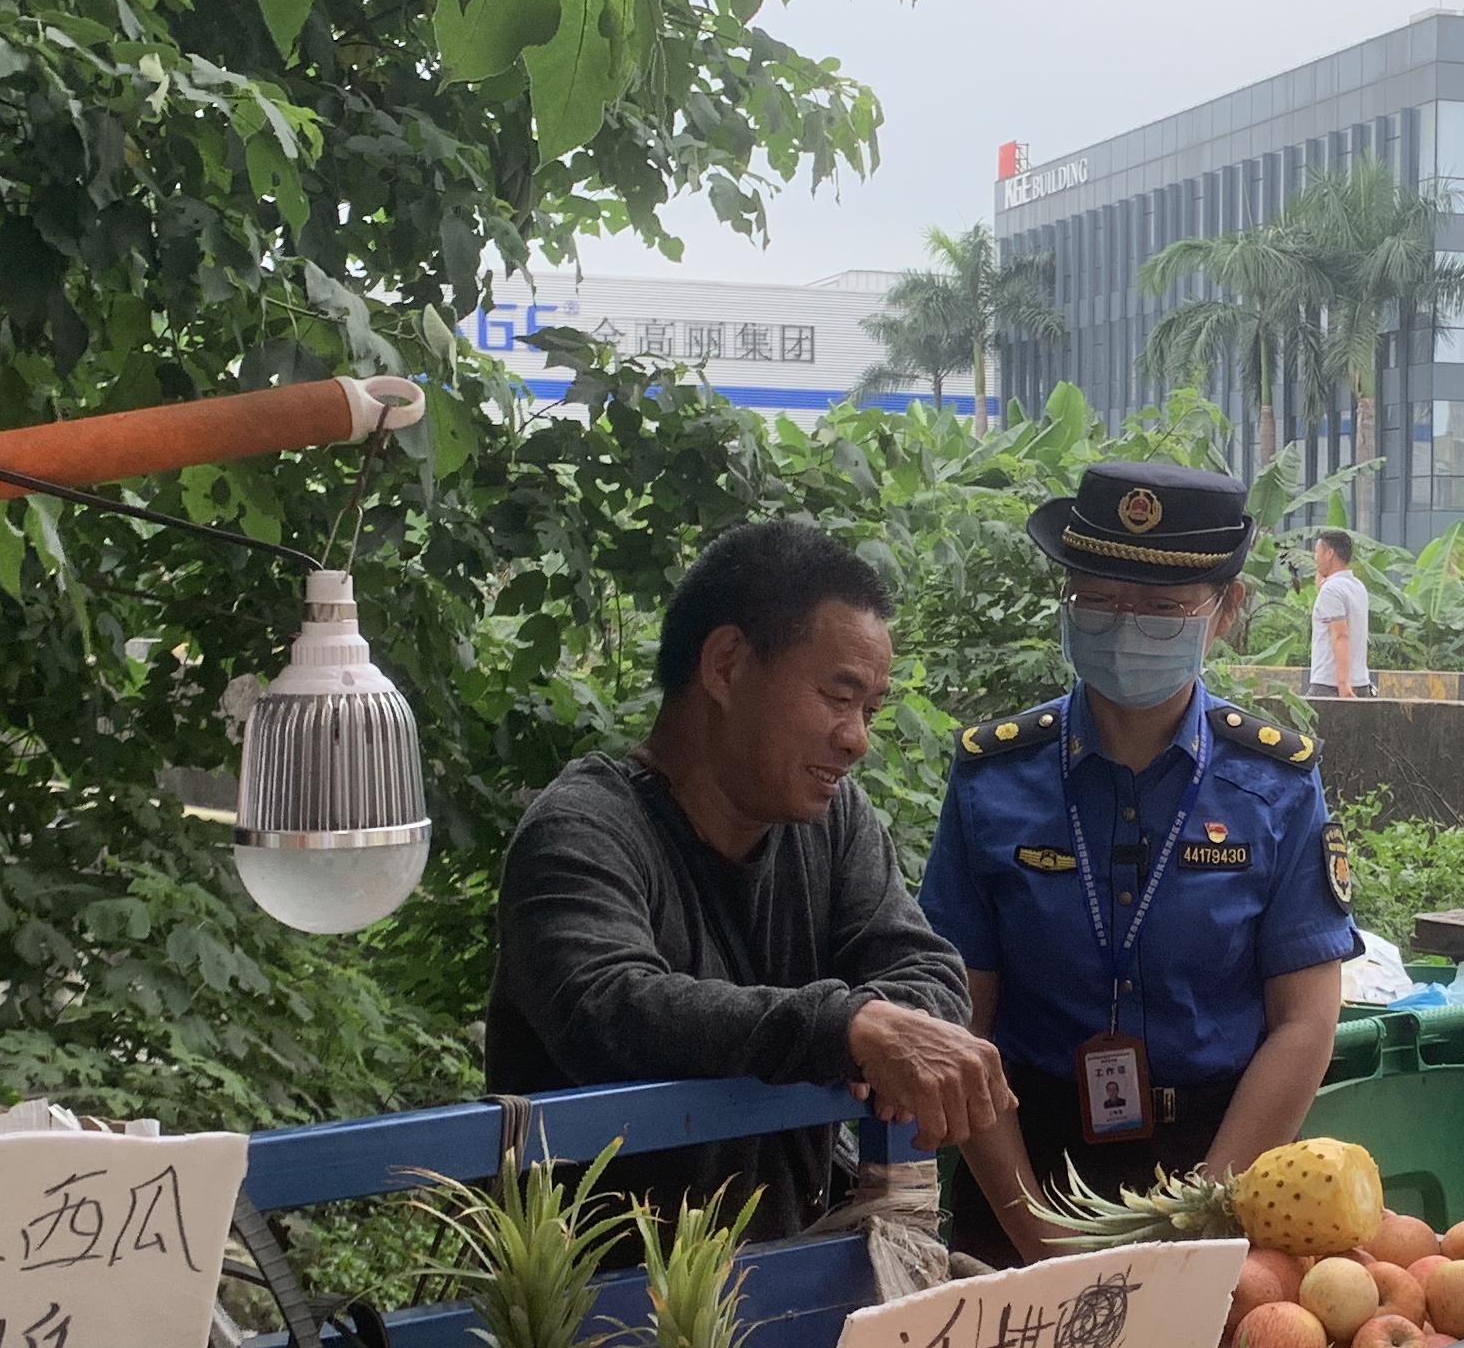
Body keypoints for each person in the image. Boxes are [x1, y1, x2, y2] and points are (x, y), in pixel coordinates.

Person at [487, 518, 1012, 1238]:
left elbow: (926, 970)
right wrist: (847, 1028)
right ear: (727, 665)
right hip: (604, 1315)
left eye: (870, 710)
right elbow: (607, 1010)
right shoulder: (581, 829)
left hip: (795, 1284)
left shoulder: (833, 821)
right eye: (838, 696)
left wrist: (882, 1030)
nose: (857, 739)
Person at [922, 462, 1358, 1250]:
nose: (1125, 626)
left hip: (1219, 1161)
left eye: (1161, 608)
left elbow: (1305, 1022)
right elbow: (963, 1020)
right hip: (1022, 1162)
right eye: (1099, 599)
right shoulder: (995, 775)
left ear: (1226, 611)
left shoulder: (1275, 783)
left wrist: (1198, 1219)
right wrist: (1035, 1233)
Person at [1309, 529, 1375, 695]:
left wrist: (1343, 683)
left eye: (1317, 553)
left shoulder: (1331, 590)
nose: (1315, 559)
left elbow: (1340, 636)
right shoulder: (1357, 587)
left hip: (1330, 684)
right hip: (1361, 682)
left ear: (1329, 553)